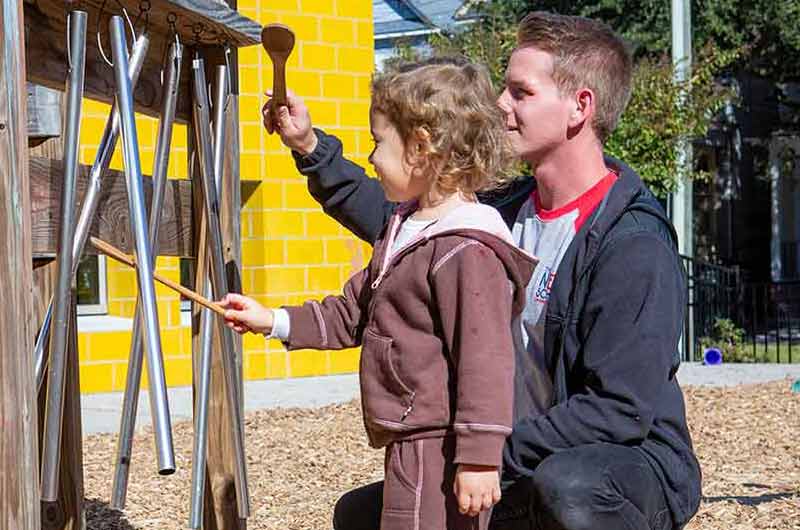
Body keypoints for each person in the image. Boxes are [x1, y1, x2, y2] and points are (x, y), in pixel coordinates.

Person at [259, 10, 702, 530]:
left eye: (521, 92)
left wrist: (486, 450)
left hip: (624, 466)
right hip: (516, 454)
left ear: (580, 107)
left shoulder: (633, 244)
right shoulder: (499, 213)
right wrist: (311, 148)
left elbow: (618, 412)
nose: (500, 104)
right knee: (360, 516)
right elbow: (404, 227)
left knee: (570, 492)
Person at [222, 61, 537, 530]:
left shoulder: (466, 248)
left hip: (441, 445)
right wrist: (274, 321)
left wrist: (478, 458)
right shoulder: (405, 228)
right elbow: (354, 311)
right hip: (411, 436)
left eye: (377, 142)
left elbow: (485, 361)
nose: (370, 157)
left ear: (421, 147)